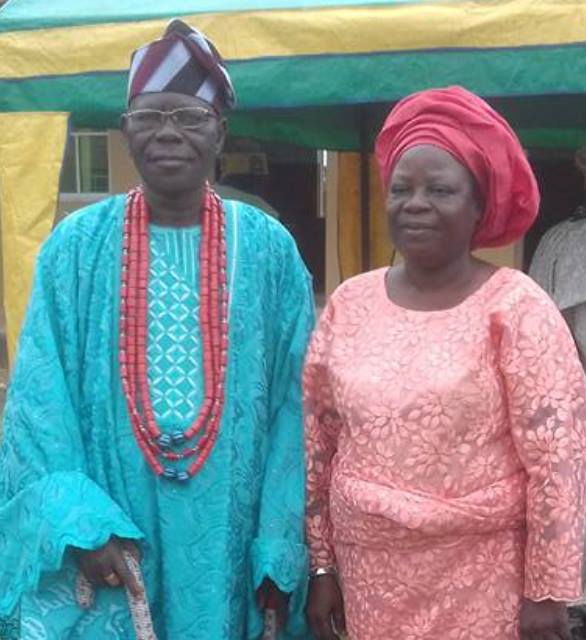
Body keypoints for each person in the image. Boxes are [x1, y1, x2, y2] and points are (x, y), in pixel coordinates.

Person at [0, 19, 314, 639]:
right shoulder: (76, 248)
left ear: (219, 132)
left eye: (189, 117)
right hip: (112, 522)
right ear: (125, 131)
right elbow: (39, 398)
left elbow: (297, 401)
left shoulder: (269, 249)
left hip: (233, 525)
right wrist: (80, 523)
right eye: (149, 117)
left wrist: (279, 538)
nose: (168, 133)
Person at [303, 86, 586, 640]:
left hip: (485, 576)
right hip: (370, 579)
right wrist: (322, 565)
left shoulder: (516, 306)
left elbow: (558, 463)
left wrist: (548, 592)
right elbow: (320, 443)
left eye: (440, 189)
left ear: (479, 205)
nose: (415, 203)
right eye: (401, 189)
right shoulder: (350, 303)